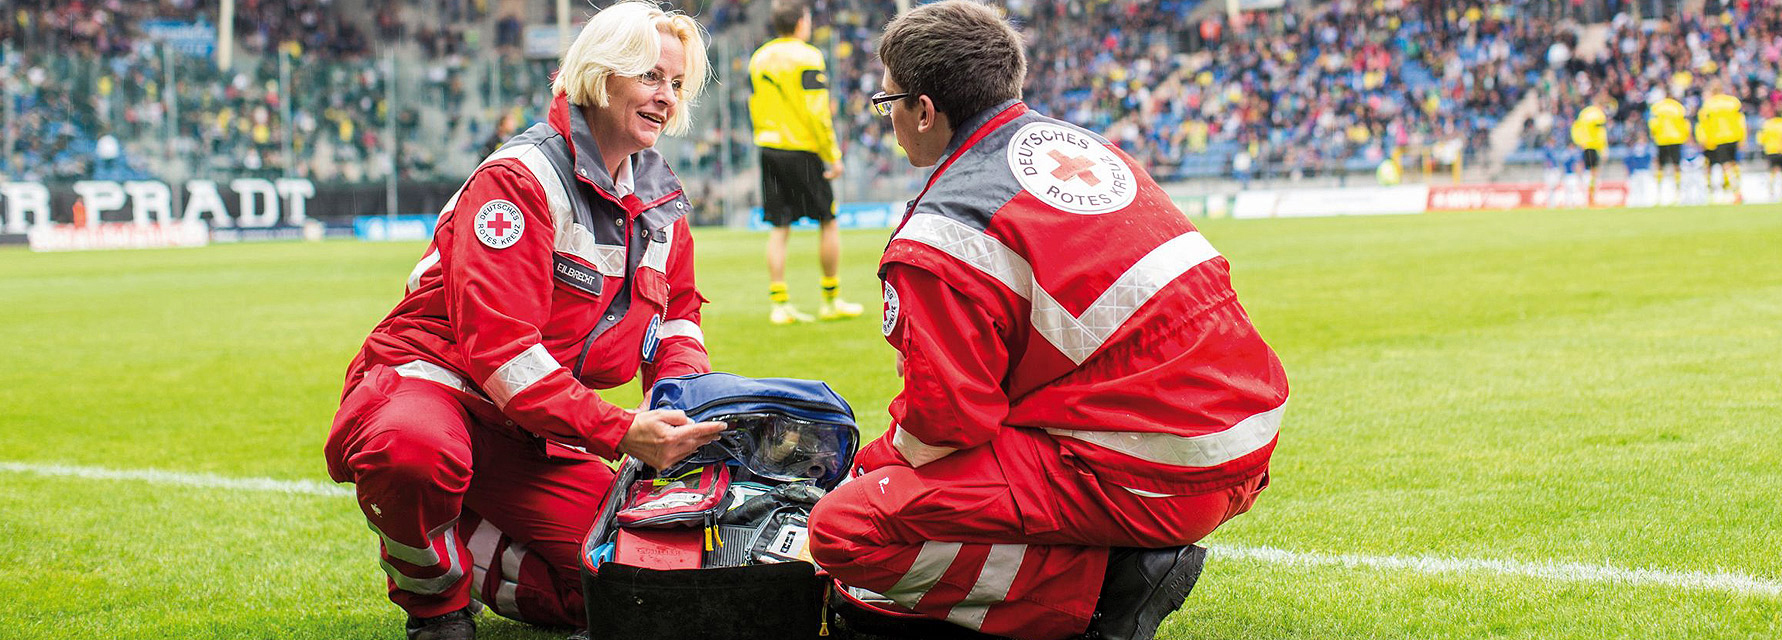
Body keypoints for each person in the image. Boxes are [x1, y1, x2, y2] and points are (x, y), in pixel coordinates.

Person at [807, 3, 1288, 640]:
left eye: (888, 100)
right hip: (1243, 441)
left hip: (1153, 468)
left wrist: (873, 465)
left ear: (924, 109)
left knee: (847, 526)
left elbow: (945, 427)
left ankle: (1101, 596)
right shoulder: (1082, 145)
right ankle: (1109, 557)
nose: (888, 118)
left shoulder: (945, 229)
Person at [322, 4, 725, 639]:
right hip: (436, 388)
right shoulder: (520, 179)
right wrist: (619, 430)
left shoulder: (661, 203)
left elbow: (677, 318)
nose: (666, 98)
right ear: (601, 74)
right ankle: (437, 606)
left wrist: (685, 403)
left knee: (629, 582)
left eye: (676, 84)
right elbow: (501, 353)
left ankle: (454, 527)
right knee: (414, 454)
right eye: (650, 76)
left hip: (533, 423)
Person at [749, 0, 862, 325]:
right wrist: (832, 156)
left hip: (769, 147)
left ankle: (779, 303)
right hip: (802, 148)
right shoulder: (808, 56)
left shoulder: (760, 58)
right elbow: (817, 113)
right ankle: (831, 298)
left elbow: (754, 104)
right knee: (828, 220)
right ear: (801, 22)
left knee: (779, 226)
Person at [1697, 85, 1747, 203]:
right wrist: (1742, 138)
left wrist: (1704, 140)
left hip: (1719, 138)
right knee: (1734, 164)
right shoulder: (1733, 102)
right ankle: (1736, 190)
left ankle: (1735, 192)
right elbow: (1741, 120)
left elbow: (1703, 125)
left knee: (1725, 166)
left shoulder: (1708, 105)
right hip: (1734, 137)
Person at [1647, 95, 1690, 205]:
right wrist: (1685, 137)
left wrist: (1653, 135)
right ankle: (1678, 192)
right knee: (1676, 165)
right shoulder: (1679, 107)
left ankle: (1658, 192)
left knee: (1660, 165)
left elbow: (1653, 124)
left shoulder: (1657, 107)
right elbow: (1685, 124)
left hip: (1661, 139)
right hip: (1676, 139)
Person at [1571, 104, 1609, 207]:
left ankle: (1586, 196)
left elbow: (1575, 129)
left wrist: (1579, 141)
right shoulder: (1598, 116)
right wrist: (1604, 148)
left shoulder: (1582, 116)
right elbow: (1601, 134)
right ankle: (1590, 197)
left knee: (1584, 171)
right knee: (1593, 172)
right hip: (1592, 146)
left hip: (1584, 145)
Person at [1758, 106, 1782, 202]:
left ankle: (1771, 192)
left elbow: (1761, 139)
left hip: (1770, 151)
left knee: (1772, 172)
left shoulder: (1767, 124)